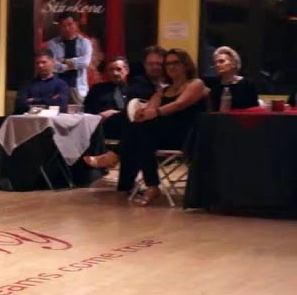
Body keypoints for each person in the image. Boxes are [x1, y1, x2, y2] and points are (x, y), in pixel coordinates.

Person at [85, 48, 208, 204]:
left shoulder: (196, 83)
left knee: (142, 132)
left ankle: (115, 156)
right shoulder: (163, 91)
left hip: (185, 136)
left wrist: (155, 112)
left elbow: (180, 104)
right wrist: (142, 113)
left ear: (186, 65)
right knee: (141, 130)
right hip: (160, 137)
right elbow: (150, 108)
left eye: (175, 63)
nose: (171, 67)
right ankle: (152, 185)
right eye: (168, 64)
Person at [46, 12, 92, 102]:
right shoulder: (52, 44)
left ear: (75, 24)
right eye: (63, 25)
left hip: (78, 88)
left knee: (79, 114)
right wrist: (73, 64)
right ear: (59, 27)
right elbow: (53, 65)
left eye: (70, 24)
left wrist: (64, 60)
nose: (67, 28)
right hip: (58, 89)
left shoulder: (84, 42)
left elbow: (85, 62)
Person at [207, 46, 260, 111]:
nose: (217, 65)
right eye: (215, 62)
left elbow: (254, 110)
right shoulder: (214, 85)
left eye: (221, 61)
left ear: (233, 64)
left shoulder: (247, 84)